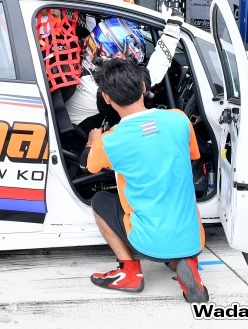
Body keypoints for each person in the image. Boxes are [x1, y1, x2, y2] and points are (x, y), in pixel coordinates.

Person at [81, 58, 208, 302]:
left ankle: (129, 273)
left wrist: (91, 142)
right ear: (142, 87)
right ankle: (185, 264)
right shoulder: (179, 119)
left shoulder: (110, 141)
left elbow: (88, 165)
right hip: (193, 239)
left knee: (100, 200)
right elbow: (193, 154)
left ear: (106, 98)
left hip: (145, 242)